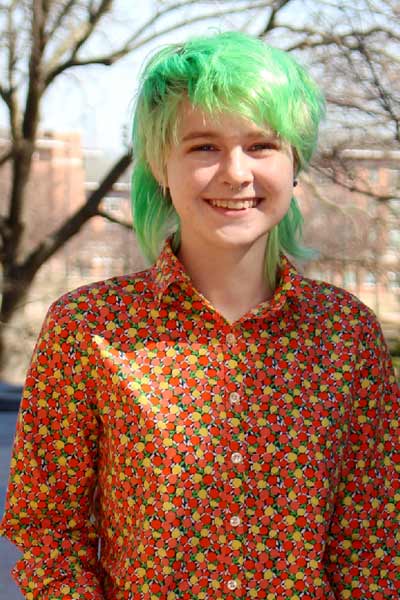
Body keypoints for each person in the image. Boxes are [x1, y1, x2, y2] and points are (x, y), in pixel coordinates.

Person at [1, 31, 399, 600]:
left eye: (261, 145)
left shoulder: (347, 336)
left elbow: (374, 546)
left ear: (294, 166)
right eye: (203, 146)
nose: (235, 172)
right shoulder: (89, 330)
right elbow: (48, 531)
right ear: (162, 166)